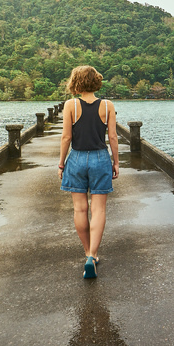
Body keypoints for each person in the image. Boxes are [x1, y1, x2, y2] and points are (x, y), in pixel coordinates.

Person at [59, 65, 119, 279]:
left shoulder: (70, 105)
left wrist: (61, 164)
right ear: (96, 81)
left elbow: (66, 137)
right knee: (99, 210)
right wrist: (116, 162)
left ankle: (87, 253)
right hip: (100, 158)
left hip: (76, 158)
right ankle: (94, 254)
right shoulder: (108, 105)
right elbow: (112, 137)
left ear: (76, 82)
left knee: (80, 209)